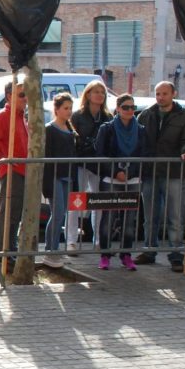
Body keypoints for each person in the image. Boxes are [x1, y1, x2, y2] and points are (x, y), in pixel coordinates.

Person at [136, 81, 185, 271]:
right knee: (150, 216)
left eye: (164, 94)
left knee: (174, 217)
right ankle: (149, 250)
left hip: (173, 173)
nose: (160, 97)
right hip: (150, 172)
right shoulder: (146, 114)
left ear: (173, 94)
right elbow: (140, 140)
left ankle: (176, 255)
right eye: (158, 94)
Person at [95, 94, 147, 271]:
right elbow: (100, 154)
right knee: (108, 217)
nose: (130, 111)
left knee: (130, 220)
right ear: (117, 108)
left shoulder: (140, 130)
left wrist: (129, 172)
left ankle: (126, 254)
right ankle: (105, 254)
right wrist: (116, 172)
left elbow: (143, 155)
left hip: (132, 179)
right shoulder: (107, 129)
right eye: (126, 107)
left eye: (133, 107)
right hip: (111, 178)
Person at [68, 81, 112, 251]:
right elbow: (73, 139)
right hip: (80, 163)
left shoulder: (108, 117)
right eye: (96, 92)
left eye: (102, 92)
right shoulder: (78, 116)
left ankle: (98, 239)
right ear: (87, 94)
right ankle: (71, 240)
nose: (100, 95)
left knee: (98, 202)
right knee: (76, 202)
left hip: (99, 165)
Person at [0, 80, 29, 276]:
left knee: (15, 215)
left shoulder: (22, 117)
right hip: (12, 171)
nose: (25, 99)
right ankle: (0, 255)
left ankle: (9, 253)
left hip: (23, 171)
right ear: (9, 97)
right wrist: (8, 161)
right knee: (8, 215)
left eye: (26, 94)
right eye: (21, 95)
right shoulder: (2, 117)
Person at [42, 93, 76, 270]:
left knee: (61, 214)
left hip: (67, 175)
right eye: (65, 108)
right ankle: (50, 250)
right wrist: (46, 183)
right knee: (58, 213)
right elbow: (47, 157)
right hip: (55, 175)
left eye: (70, 108)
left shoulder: (70, 129)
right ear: (57, 110)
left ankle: (54, 248)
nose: (69, 111)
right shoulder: (50, 129)